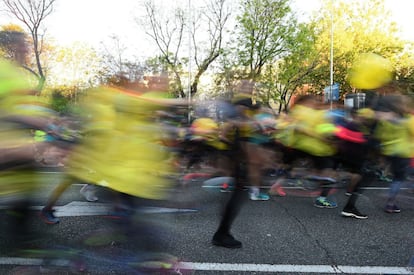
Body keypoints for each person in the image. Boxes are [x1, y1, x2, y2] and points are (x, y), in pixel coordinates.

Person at [373, 93, 414, 213]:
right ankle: (391, 201)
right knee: (400, 178)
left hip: (389, 151)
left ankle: (391, 201)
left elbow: (380, 135)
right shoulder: (409, 119)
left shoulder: (386, 119)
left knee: (398, 177)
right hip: (404, 152)